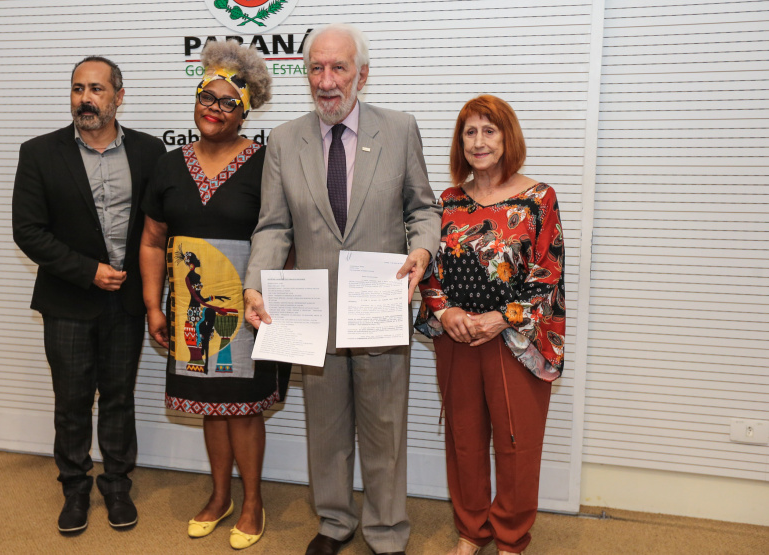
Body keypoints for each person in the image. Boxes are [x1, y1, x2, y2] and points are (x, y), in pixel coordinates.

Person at [243, 23, 441, 555]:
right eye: (316, 68)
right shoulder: (284, 140)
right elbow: (273, 226)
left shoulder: (399, 129)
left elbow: (423, 210)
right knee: (326, 430)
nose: (326, 80)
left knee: (384, 430)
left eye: (338, 67)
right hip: (311, 319)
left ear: (363, 74)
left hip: (379, 308)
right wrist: (255, 285)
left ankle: (387, 531)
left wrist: (422, 252)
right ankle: (334, 521)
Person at [139, 40, 288, 550]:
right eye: (207, 97)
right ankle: (220, 495)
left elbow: (283, 236)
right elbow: (152, 240)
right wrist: (153, 305)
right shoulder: (168, 166)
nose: (215, 109)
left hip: (249, 308)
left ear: (245, 111)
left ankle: (252, 502)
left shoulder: (267, 164)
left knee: (242, 407)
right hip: (189, 307)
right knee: (210, 404)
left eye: (229, 102)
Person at [12, 56, 166, 534]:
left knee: (118, 397)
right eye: (78, 88)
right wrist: (88, 271)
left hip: (126, 302)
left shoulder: (149, 151)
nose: (86, 98)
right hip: (68, 301)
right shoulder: (39, 152)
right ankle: (75, 488)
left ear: (119, 96)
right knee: (72, 400)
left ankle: (117, 485)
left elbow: (159, 228)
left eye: (97, 89)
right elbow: (28, 231)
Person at [415, 95, 566, 555]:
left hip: (516, 341)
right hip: (458, 338)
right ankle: (471, 531)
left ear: (507, 138)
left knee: (517, 444)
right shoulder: (448, 201)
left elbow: (548, 274)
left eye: (489, 131)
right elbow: (429, 269)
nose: (478, 142)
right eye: (469, 132)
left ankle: (511, 539)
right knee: (464, 440)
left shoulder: (539, 199)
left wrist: (501, 318)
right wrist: (447, 313)